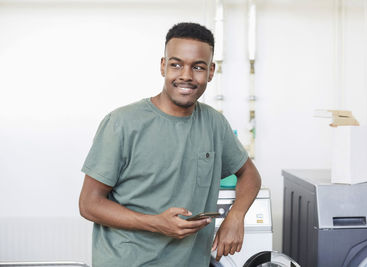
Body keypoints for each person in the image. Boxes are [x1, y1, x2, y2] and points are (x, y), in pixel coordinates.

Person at [79, 22, 261, 267]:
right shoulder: (121, 123)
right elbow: (89, 204)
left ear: (210, 72)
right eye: (176, 64)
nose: (186, 75)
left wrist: (236, 216)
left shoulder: (214, 123)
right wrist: (156, 223)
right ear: (163, 66)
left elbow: (249, 174)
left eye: (197, 67)